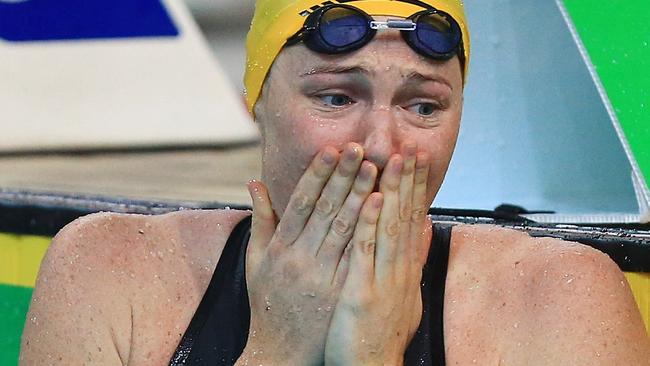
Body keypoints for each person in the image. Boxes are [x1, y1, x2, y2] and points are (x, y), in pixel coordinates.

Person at [20, 0, 650, 365]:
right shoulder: (111, 272)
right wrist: (279, 349)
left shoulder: (558, 300)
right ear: (254, 101)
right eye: (336, 96)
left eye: (423, 106)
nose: (380, 144)